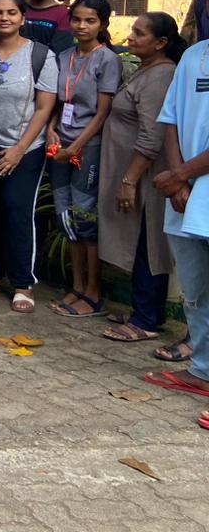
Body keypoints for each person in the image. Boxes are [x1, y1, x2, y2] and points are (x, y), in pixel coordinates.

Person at [98, 12, 183, 342]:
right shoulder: (146, 70)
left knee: (148, 245)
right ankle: (147, 311)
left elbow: (153, 135)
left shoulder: (161, 77)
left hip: (146, 178)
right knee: (140, 242)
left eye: (139, 33)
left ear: (161, 43)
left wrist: (130, 180)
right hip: (135, 174)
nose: (130, 37)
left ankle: (145, 320)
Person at [0, 0, 58, 313]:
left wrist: (19, 150)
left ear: (23, 17)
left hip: (26, 148)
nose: (4, 18)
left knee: (17, 209)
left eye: (11, 12)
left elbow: (43, 109)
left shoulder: (41, 56)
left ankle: (23, 282)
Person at [47, 0, 121, 318]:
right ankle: (76, 286)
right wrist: (50, 129)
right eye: (77, 19)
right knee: (65, 213)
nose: (82, 26)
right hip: (59, 145)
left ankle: (94, 294)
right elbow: (57, 103)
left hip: (85, 149)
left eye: (90, 20)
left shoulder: (107, 60)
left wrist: (76, 147)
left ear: (103, 24)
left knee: (85, 215)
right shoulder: (64, 55)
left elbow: (103, 113)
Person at [147, 36, 209, 412]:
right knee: (195, 289)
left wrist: (181, 174)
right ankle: (202, 370)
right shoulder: (192, 55)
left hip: (188, 182)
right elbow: (170, 118)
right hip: (184, 195)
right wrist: (178, 178)